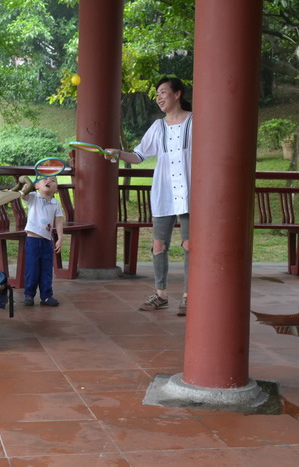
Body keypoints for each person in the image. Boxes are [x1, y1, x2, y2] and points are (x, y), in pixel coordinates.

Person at [105, 77, 192, 316]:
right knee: (158, 245)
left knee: (190, 245)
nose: (159, 98)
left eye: (163, 92)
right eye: (157, 94)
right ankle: (160, 294)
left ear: (177, 94)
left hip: (190, 192)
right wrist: (118, 153)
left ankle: (189, 296)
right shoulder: (157, 126)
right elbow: (139, 156)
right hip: (164, 192)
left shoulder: (195, 122)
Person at [21, 175, 64, 307]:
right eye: (45, 179)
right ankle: (29, 295)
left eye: (53, 180)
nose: (48, 181)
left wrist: (60, 237)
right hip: (32, 240)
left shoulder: (55, 203)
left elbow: (58, 221)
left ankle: (46, 296)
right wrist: (26, 187)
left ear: (56, 190)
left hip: (47, 241)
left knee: (46, 270)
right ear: (37, 186)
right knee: (32, 269)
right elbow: (23, 195)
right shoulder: (34, 197)